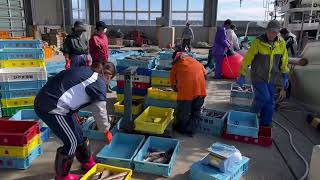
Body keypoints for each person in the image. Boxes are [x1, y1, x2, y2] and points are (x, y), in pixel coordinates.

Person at [34, 62, 116, 180]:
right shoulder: (99, 83)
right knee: (71, 142)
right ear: (109, 77)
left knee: (78, 133)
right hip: (52, 107)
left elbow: (72, 90)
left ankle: (87, 162)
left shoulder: (87, 71)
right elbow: (100, 111)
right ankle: (62, 176)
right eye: (110, 79)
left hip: (56, 103)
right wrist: (106, 130)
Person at [237, 20, 289, 127]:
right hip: (258, 77)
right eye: (269, 31)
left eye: (274, 32)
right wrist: (242, 75)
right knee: (264, 97)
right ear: (266, 31)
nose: (271, 34)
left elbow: (284, 60)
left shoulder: (281, 43)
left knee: (270, 103)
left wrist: (285, 75)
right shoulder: (258, 42)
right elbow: (247, 59)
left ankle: (265, 123)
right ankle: (252, 114)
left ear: (278, 32)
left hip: (272, 78)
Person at [170, 50, 207, 137]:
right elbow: (205, 74)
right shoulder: (197, 63)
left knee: (183, 112)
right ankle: (192, 131)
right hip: (200, 92)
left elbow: (173, 84)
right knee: (196, 111)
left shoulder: (176, 66)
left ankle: (182, 129)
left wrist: (177, 90)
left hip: (186, 94)